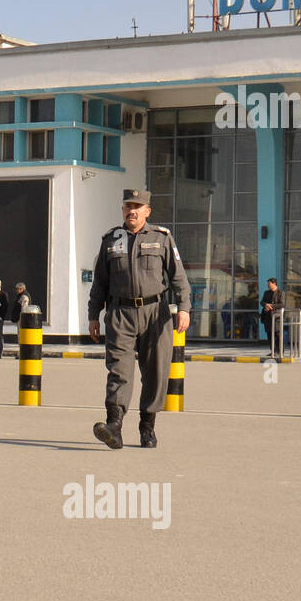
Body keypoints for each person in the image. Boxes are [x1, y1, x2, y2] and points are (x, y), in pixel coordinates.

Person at [87, 188, 191, 449]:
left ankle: (147, 427)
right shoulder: (111, 239)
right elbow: (99, 282)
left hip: (156, 313)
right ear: (123, 210)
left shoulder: (162, 238)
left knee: (156, 372)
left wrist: (185, 307)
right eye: (127, 206)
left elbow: (178, 277)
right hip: (120, 313)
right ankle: (114, 426)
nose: (131, 211)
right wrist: (93, 314)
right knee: (119, 370)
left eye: (137, 207)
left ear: (147, 211)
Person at [260, 277, 284, 357]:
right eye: (268, 284)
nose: (268, 286)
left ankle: (279, 351)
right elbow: (262, 302)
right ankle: (273, 350)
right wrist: (266, 305)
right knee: (269, 334)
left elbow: (282, 304)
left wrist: (272, 306)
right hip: (268, 317)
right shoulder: (266, 293)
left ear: (274, 284)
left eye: (269, 284)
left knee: (277, 334)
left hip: (277, 317)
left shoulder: (280, 293)